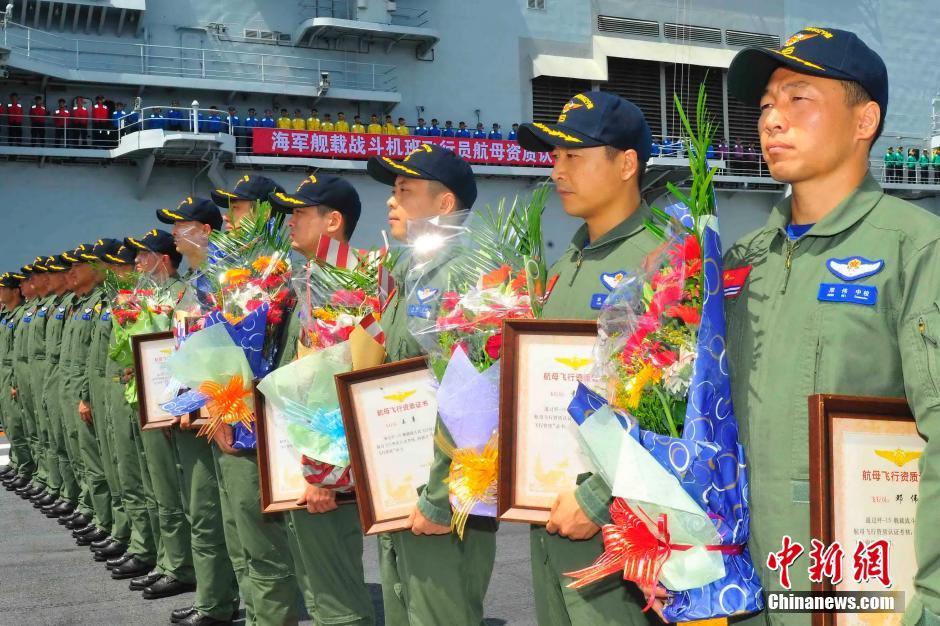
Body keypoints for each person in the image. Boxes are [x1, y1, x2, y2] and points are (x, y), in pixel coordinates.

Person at [724, 27, 940, 626]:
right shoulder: (740, 261)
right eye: (766, 104)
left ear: (864, 119)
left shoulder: (915, 249)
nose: (772, 119)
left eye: (799, 99)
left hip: (855, 587)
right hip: (737, 582)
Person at [516, 91, 668, 625]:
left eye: (573, 155)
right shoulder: (566, 265)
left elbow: (681, 411)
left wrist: (601, 497)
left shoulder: (666, 260)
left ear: (627, 163)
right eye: (553, 156)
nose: (557, 170)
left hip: (622, 538)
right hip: (551, 517)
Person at [366, 144, 495, 625]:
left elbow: (475, 399)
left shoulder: (464, 274)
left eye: (405, 190)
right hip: (404, 479)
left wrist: (440, 497)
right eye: (393, 191)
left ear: (444, 205)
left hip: (443, 495)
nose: (391, 201)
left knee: (440, 613)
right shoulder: (414, 275)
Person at [268, 174, 376, 626]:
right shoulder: (313, 278)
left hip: (330, 465)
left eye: (300, 212)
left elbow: (348, 378)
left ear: (332, 221)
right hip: (304, 453)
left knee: (336, 592)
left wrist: (327, 471)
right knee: (316, 581)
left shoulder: (350, 285)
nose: (290, 222)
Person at [156, 198, 242, 626]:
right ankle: (213, 598)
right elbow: (188, 348)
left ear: (206, 230)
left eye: (181, 223)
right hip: (197, 409)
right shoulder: (197, 279)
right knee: (202, 510)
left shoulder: (227, 280)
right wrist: (181, 401)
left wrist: (201, 402)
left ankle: (218, 603)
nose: (174, 232)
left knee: (212, 512)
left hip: (221, 411)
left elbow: (227, 352)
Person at [116, 230, 197, 598]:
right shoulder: (149, 296)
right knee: (155, 486)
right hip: (144, 398)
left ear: (164, 259)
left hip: (171, 402)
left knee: (173, 489)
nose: (136, 262)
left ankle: (180, 566)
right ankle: (166, 560)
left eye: (143, 255)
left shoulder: (183, 295)